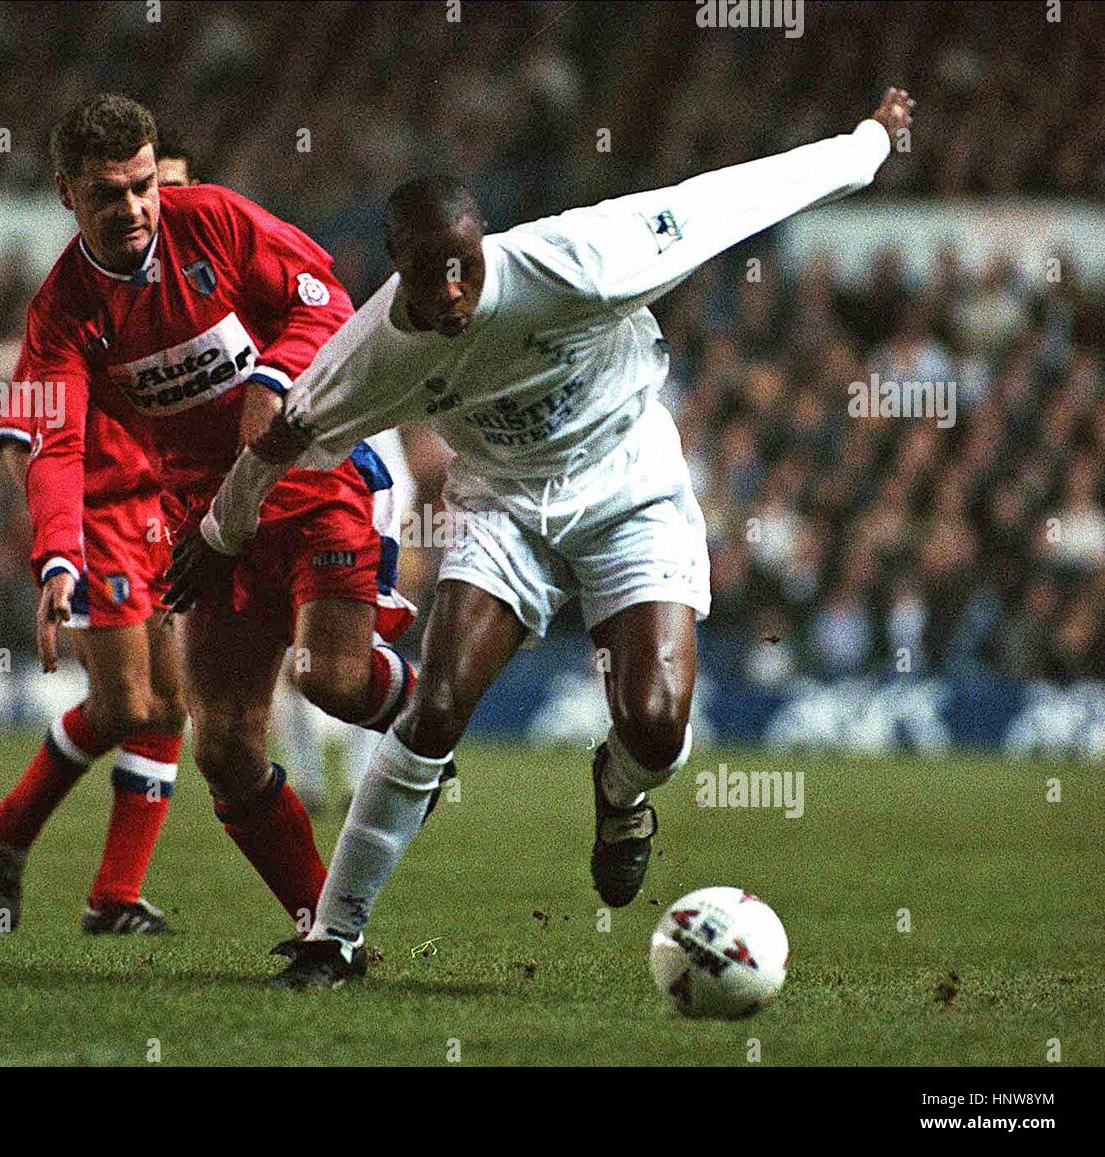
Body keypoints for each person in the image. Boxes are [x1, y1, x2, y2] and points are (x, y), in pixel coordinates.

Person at [167, 89, 917, 987]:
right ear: (395, 268)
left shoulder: (584, 257)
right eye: (428, 276)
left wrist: (866, 144)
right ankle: (335, 936)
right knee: (435, 703)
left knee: (653, 723)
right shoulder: (377, 349)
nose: (451, 295)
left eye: (464, 270)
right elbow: (283, 438)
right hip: (505, 509)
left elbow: (734, 198)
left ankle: (620, 790)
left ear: (484, 246)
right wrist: (219, 531)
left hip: (629, 489)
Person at [0, 93, 419, 942]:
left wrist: (272, 379)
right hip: (206, 530)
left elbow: (325, 295)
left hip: (312, 479)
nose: (135, 207)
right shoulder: (61, 311)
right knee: (218, 740)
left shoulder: (211, 219)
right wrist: (56, 559)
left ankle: (427, 707)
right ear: (65, 193)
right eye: (109, 193)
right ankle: (328, 926)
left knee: (326, 679)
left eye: (144, 185)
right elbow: (53, 445)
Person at [0, 151, 196, 936]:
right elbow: (19, 435)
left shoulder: (191, 296)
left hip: (162, 517)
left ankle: (111, 894)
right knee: (128, 700)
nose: (148, 210)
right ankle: (7, 829)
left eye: (163, 193)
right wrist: (58, 540)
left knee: (168, 705)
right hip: (100, 519)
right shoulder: (74, 308)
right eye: (134, 192)